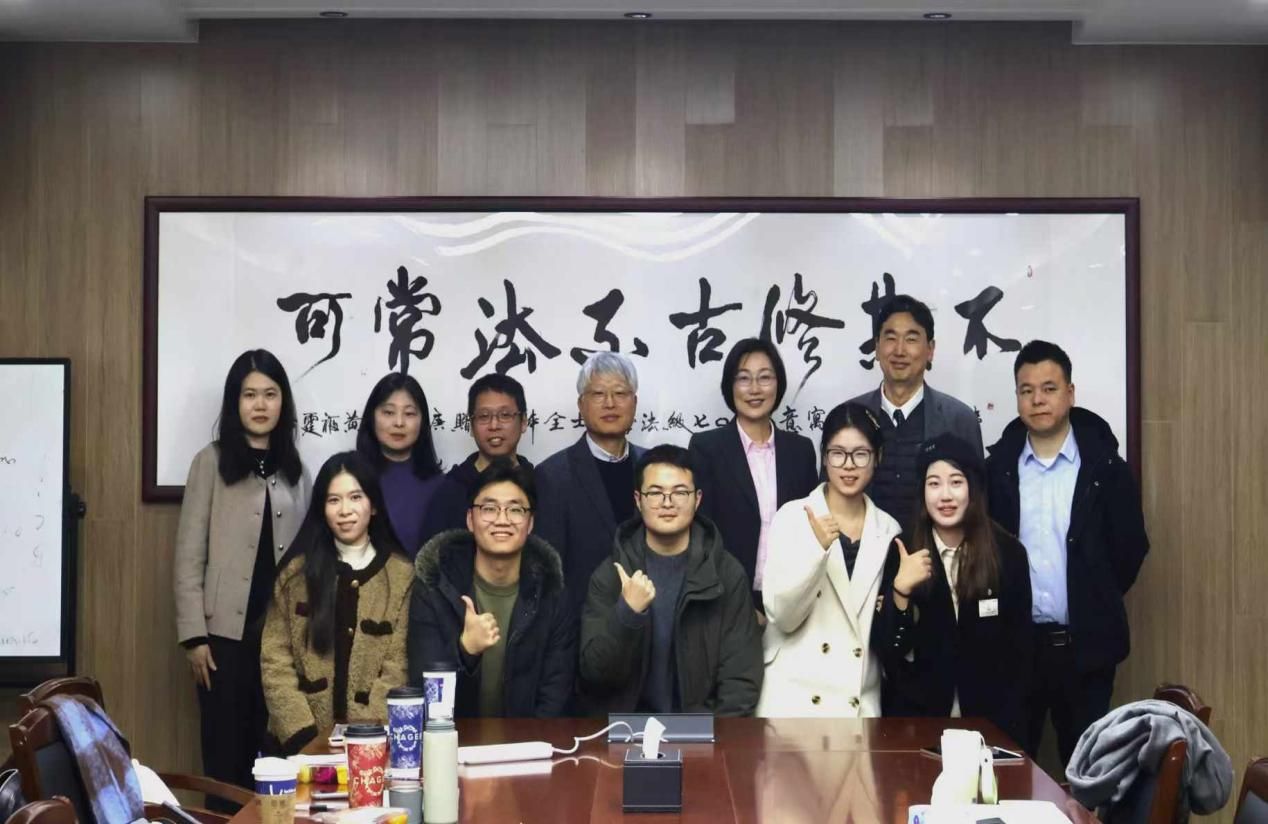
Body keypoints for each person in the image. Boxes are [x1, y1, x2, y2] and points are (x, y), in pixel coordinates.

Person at [986, 340, 1149, 763]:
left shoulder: (1106, 468)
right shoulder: (998, 468)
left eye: (1049, 388)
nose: (1037, 400)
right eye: (1026, 390)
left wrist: (1093, 591)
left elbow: (1130, 548)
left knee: (1086, 771)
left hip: (1085, 649)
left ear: (1070, 393)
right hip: (1015, 649)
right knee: (1008, 768)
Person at [172, 349, 310, 792]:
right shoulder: (210, 462)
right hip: (222, 639)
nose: (260, 404)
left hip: (281, 639)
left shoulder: (295, 468)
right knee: (225, 756)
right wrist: (194, 637)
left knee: (278, 756)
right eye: (249, 395)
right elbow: (189, 554)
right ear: (235, 402)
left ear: (283, 402)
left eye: (270, 394)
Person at [578, 445, 763, 716]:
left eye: (680, 492)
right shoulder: (612, 573)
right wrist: (627, 614)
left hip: (702, 730)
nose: (667, 503)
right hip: (626, 729)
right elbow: (595, 674)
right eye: (655, 493)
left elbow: (740, 680)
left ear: (697, 499)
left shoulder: (725, 573)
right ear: (638, 500)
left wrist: (715, 735)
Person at [872, 434, 1033, 747]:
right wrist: (900, 591)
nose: (945, 495)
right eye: (934, 483)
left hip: (993, 727)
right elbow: (888, 651)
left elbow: (1022, 654)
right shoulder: (903, 550)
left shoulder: (1008, 553)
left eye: (956, 482)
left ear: (973, 487)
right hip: (919, 727)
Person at [260, 451, 413, 754]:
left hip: (371, 744)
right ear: (322, 509)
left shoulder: (402, 576)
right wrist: (304, 737)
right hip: (299, 746)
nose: (345, 510)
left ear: (374, 506)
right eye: (333, 500)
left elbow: (398, 667)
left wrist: (365, 735)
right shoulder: (295, 575)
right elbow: (274, 660)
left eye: (356, 497)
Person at [756, 402, 900, 718]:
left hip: (857, 703)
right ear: (824, 456)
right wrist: (815, 551)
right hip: (792, 701)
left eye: (860, 454)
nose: (848, 465)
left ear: (877, 457)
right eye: (837, 453)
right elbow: (783, 616)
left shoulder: (889, 530)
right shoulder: (792, 517)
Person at [406, 461, 575, 717]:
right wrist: (465, 651)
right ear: (470, 520)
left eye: (515, 510)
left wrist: (529, 742)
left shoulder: (552, 593)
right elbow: (423, 690)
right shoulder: (435, 586)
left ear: (530, 523)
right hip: (453, 738)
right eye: (489, 509)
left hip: (528, 739)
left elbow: (554, 696)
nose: (502, 520)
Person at [688, 338, 818, 613]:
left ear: (778, 384)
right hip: (727, 599)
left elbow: (808, 529)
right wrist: (735, 603)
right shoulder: (707, 448)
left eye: (765, 377)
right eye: (744, 378)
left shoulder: (801, 451)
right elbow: (701, 533)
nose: (755, 389)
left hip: (790, 598)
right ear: (730, 386)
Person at [849, 295, 983, 529]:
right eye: (890, 338)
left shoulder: (960, 420)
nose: (899, 350)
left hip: (936, 551)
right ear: (877, 347)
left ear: (930, 350)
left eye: (911, 339)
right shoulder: (849, 417)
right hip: (862, 551)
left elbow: (977, 507)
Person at [534, 352, 646, 617]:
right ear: (581, 404)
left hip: (651, 622)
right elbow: (547, 571)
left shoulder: (654, 468)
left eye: (620, 393)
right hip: (582, 623)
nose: (610, 403)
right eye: (598, 394)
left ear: (634, 402)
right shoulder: (552, 475)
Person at [425, 373, 535, 536]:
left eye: (505, 415)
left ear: (524, 421)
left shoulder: (541, 485)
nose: (494, 425)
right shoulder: (449, 492)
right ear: (471, 425)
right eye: (484, 416)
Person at [354, 373, 445, 557]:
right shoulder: (351, 478)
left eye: (409, 413)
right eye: (388, 412)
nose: (399, 423)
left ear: (422, 421)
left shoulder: (441, 486)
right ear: (372, 417)